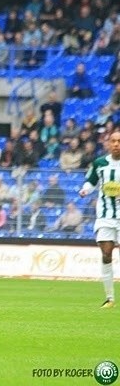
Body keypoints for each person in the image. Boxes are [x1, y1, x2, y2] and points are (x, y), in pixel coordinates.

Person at [79, 131, 120, 309]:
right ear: (107, 144)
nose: (116, 144)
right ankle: (110, 298)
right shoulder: (100, 163)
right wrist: (85, 190)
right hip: (105, 215)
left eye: (119, 141)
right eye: (113, 141)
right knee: (106, 253)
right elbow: (91, 181)